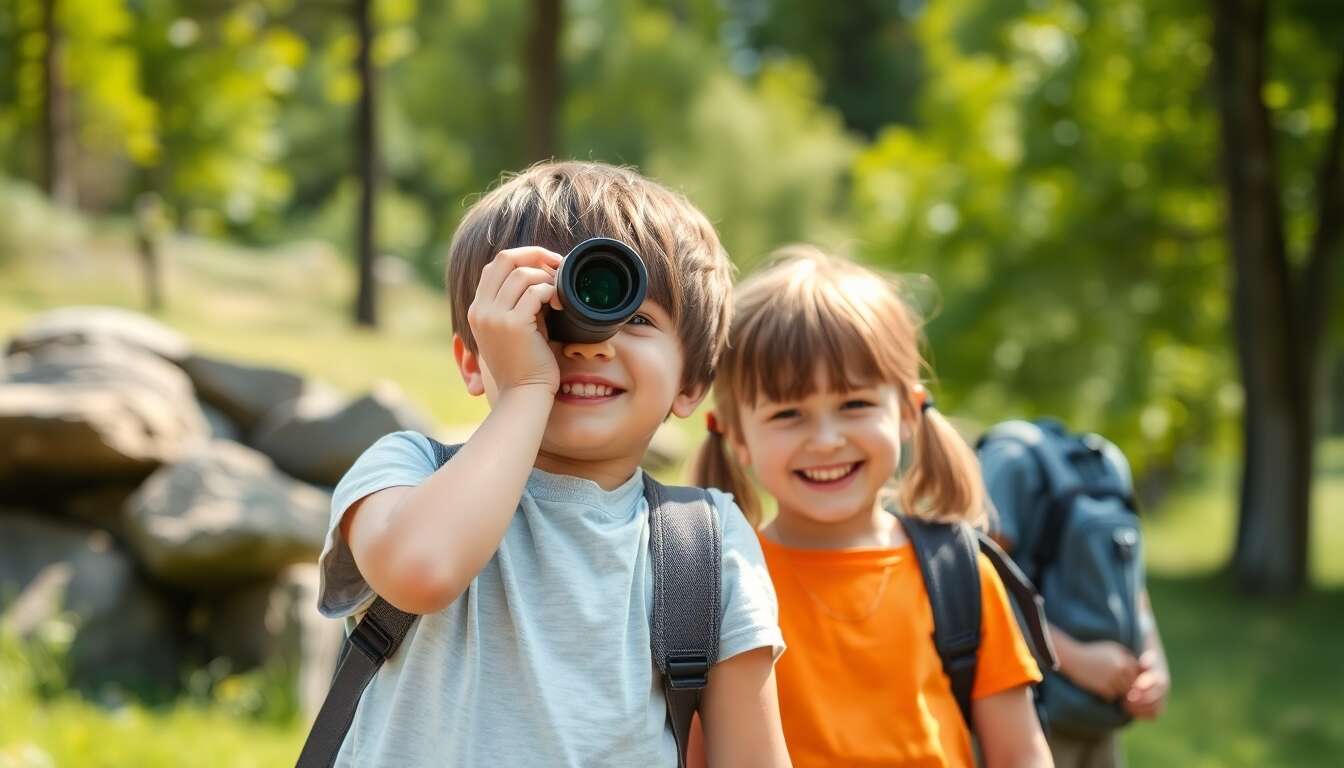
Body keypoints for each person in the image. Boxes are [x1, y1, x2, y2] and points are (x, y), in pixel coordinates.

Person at [316, 161, 789, 767]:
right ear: (473, 358)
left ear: (693, 381)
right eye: (547, 315)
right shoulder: (406, 471)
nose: (590, 342)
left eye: (637, 319)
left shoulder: (707, 543)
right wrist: (525, 389)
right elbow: (421, 572)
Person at [691, 246, 1052, 767]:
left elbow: (1020, 754)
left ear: (908, 410)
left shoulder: (961, 574)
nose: (827, 439)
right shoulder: (722, 584)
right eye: (788, 413)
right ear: (736, 437)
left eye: (854, 404)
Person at [980, 428, 1170, 768]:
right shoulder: (1011, 463)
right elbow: (977, 586)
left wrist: (1154, 659)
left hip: (1102, 719)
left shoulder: (1109, 460)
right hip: (1031, 723)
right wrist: (1075, 658)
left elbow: (1130, 582)